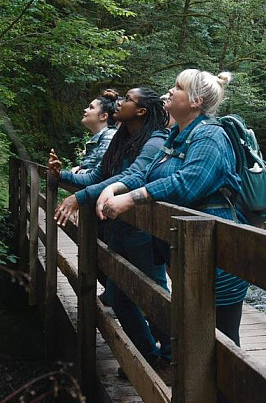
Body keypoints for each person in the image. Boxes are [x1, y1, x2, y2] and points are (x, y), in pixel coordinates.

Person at [95, 69, 249, 347]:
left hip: (218, 256)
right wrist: (115, 188)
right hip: (186, 252)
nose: (169, 91)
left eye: (177, 87)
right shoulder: (176, 135)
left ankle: (229, 392)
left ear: (196, 101)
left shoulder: (211, 136)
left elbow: (188, 183)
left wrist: (131, 199)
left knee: (223, 342)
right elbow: (147, 173)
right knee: (193, 334)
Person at [48, 87, 173, 378]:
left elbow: (133, 177)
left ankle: (170, 358)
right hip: (118, 228)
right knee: (119, 297)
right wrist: (62, 176)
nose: (119, 102)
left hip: (144, 231)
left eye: (126, 100)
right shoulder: (122, 137)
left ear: (141, 111)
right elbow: (100, 176)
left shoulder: (155, 140)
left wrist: (78, 198)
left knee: (154, 296)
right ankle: (147, 355)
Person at [72, 89, 118, 174]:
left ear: (103, 116)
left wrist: (78, 172)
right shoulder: (103, 135)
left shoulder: (109, 136)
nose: (85, 110)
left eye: (91, 107)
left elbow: (101, 173)